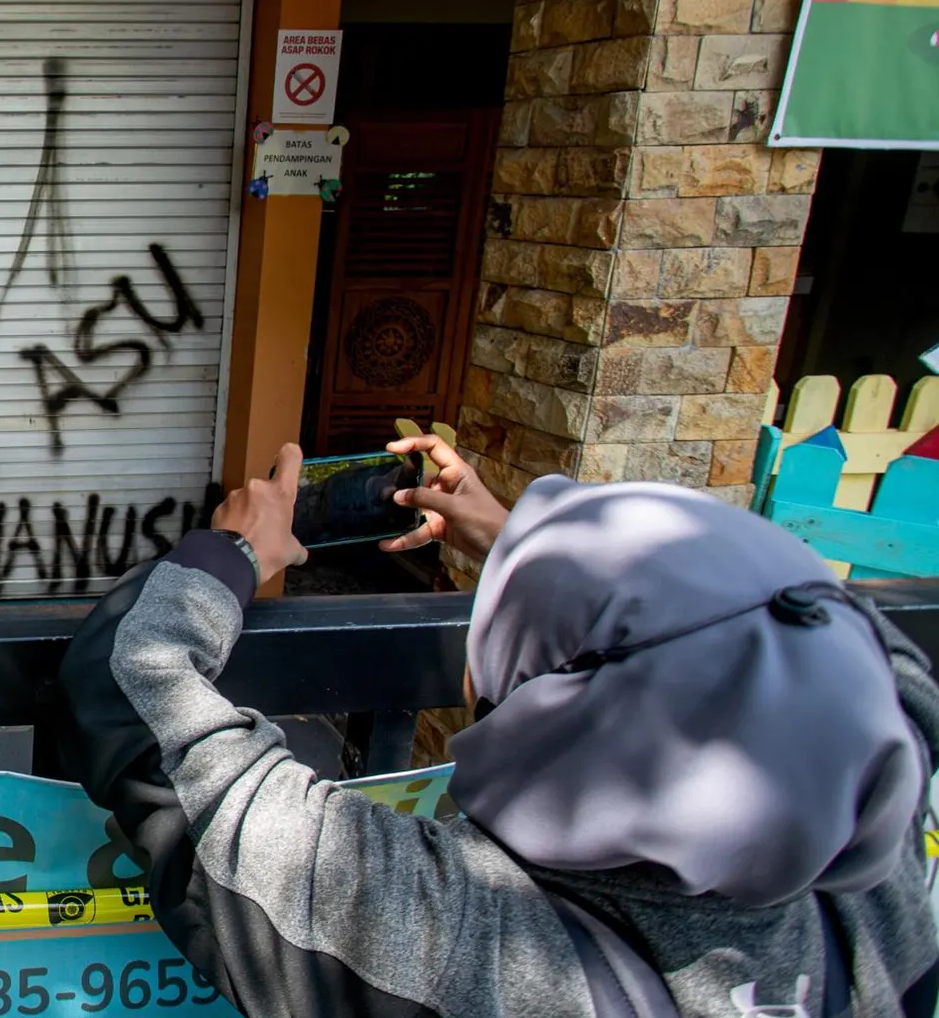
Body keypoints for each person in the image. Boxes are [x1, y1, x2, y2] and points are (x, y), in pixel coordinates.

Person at [53, 434, 939, 1017]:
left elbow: (141, 688)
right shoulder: (881, 893)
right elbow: (848, 639)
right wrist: (523, 545)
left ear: (566, 710)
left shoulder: (461, 940)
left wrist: (233, 550)